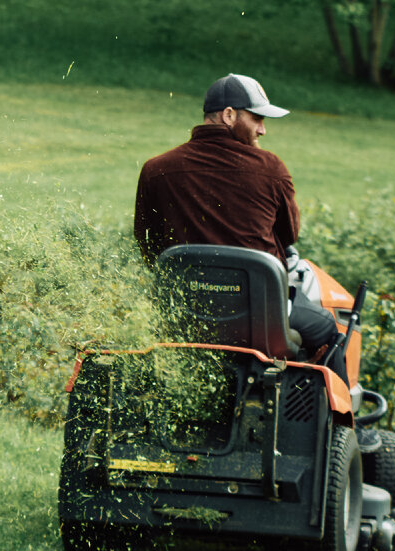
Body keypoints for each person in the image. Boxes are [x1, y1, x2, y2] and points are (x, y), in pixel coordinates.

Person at [134, 73, 345, 376]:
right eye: (257, 118)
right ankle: (339, 422)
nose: (263, 129)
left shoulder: (156, 170)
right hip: (260, 315)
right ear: (229, 115)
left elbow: (148, 246)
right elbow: (289, 234)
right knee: (330, 330)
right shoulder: (270, 169)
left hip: (183, 313)